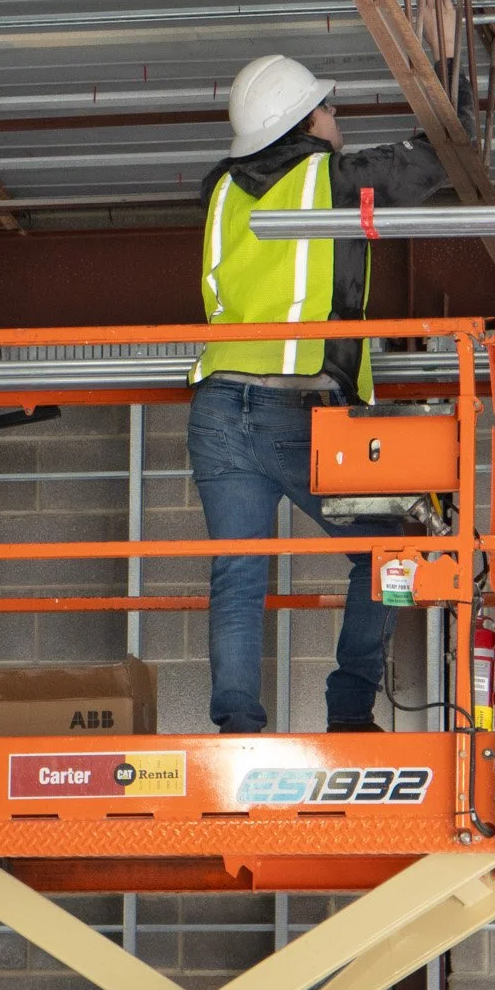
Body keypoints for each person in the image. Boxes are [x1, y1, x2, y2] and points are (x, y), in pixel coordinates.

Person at [186, 44, 462, 735]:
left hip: (217, 405)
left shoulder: (217, 190)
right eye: (331, 109)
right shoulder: (325, 178)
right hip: (295, 406)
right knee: (385, 551)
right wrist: (448, 58)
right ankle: (347, 710)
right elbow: (434, 159)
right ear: (307, 121)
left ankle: (237, 727)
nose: (339, 120)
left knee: (238, 575)